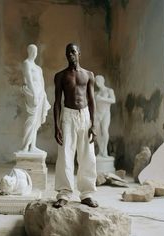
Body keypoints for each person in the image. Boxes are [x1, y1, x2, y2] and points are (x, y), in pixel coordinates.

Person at [53, 43, 98, 208]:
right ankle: (64, 194)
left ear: (79, 53)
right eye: (68, 52)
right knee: (65, 154)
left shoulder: (88, 75)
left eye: (73, 51)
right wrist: (56, 125)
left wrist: (93, 124)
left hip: (85, 116)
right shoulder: (60, 76)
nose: (70, 55)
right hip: (68, 116)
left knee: (88, 155)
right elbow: (57, 102)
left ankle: (86, 194)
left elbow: (92, 101)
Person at [21, 44, 50, 153]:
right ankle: (25, 146)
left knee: (36, 122)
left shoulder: (38, 68)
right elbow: (29, 80)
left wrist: (43, 95)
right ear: (29, 51)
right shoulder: (26, 63)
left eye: (36, 51)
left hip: (40, 93)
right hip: (32, 93)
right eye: (32, 50)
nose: (34, 52)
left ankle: (32, 146)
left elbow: (42, 82)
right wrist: (34, 94)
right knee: (31, 119)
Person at [95, 75, 116, 158]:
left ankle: (105, 150)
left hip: (106, 113)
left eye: (99, 81)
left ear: (103, 81)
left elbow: (113, 100)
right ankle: (101, 151)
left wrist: (101, 99)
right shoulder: (96, 93)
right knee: (97, 133)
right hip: (97, 114)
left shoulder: (109, 90)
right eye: (96, 82)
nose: (97, 83)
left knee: (104, 130)